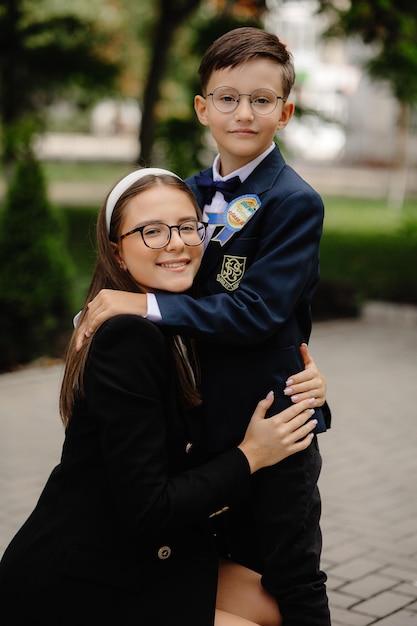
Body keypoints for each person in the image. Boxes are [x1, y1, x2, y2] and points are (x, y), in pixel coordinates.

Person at [76, 27, 331, 625]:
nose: (243, 112)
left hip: (274, 418)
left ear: (285, 112)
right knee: (217, 561)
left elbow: (260, 312)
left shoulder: (295, 202)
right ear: (202, 108)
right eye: (227, 97)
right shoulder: (187, 195)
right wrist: (95, 314)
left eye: (262, 99)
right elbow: (149, 267)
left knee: (289, 570)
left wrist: (144, 309)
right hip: (205, 429)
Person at [0, 168, 320, 626]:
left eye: (187, 226)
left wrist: (306, 379)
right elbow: (150, 509)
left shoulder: (177, 319)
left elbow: (248, 333)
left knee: (281, 607)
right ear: (117, 251)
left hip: (147, 551)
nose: (175, 242)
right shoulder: (127, 338)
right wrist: (252, 455)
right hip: (87, 574)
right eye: (151, 231)